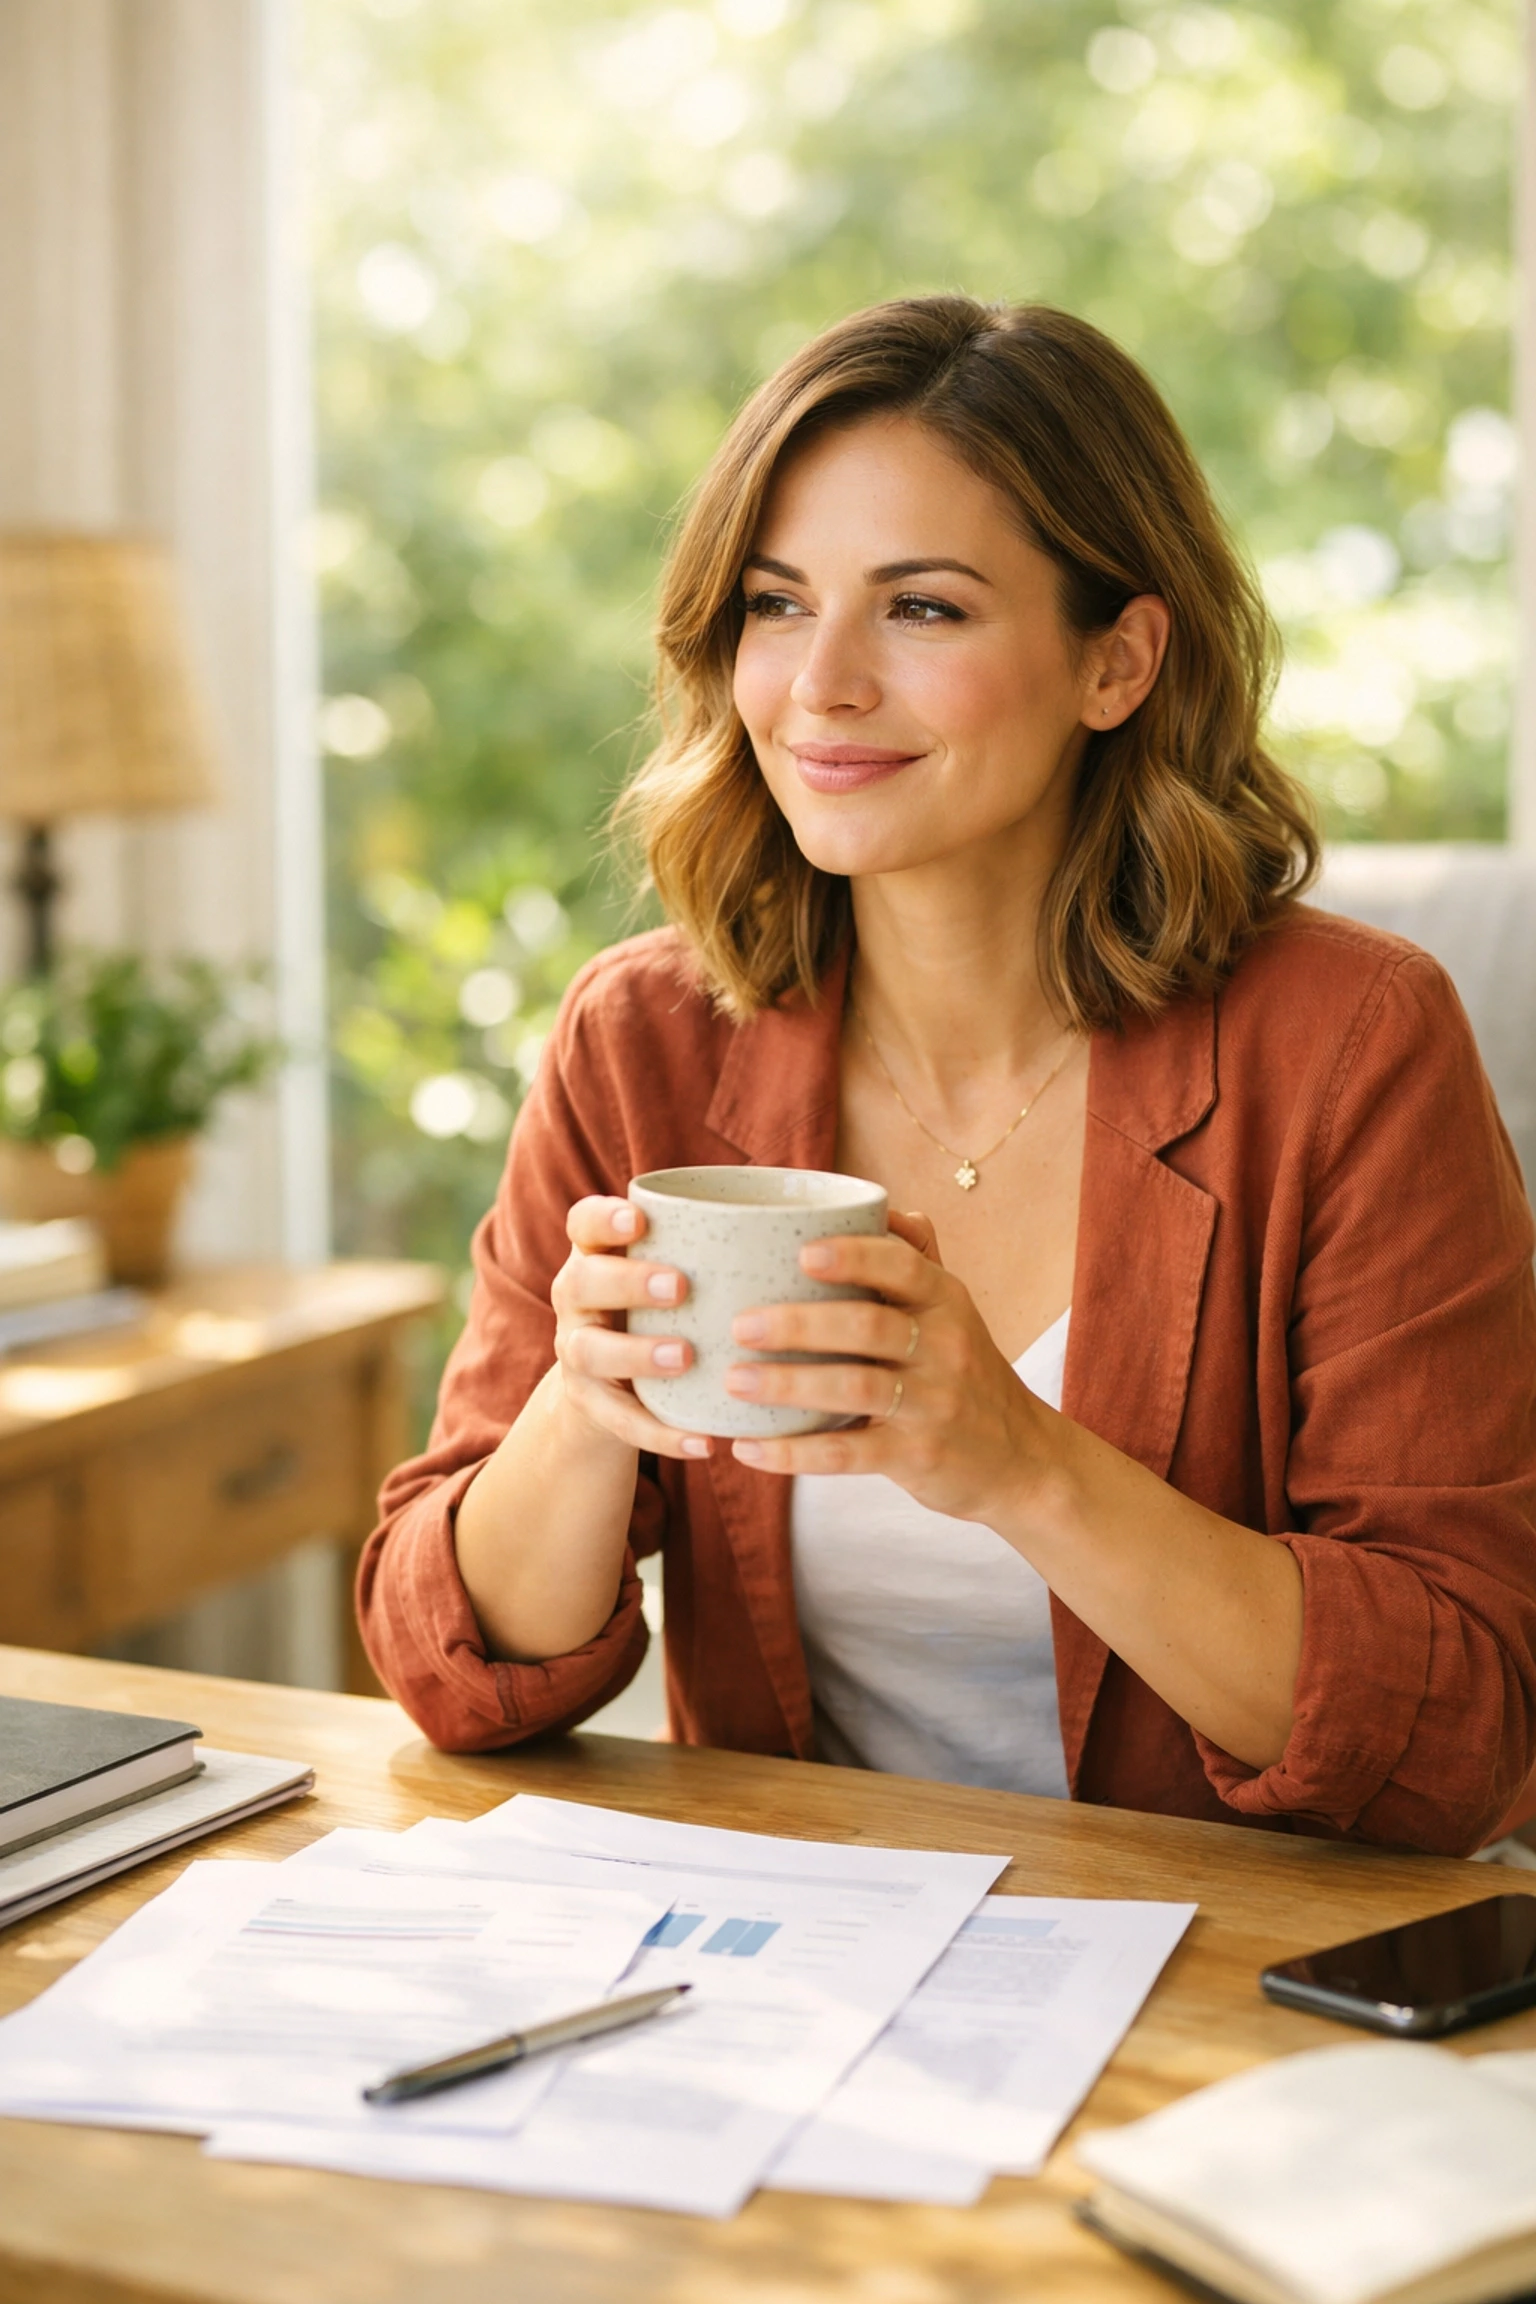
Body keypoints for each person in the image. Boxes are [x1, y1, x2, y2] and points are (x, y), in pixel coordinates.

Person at [359, 296, 1536, 1854]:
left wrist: (1021, 1464)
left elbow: (1466, 1736)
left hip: (1231, 1956)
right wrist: (582, 1412)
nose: (823, 684)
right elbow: (450, 1673)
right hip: (809, 1943)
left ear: (1118, 660)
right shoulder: (642, 1041)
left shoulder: (1350, 1044)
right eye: (777, 604)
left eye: (922, 608)